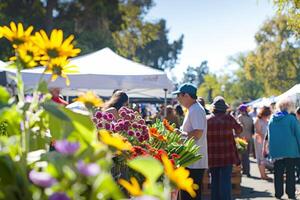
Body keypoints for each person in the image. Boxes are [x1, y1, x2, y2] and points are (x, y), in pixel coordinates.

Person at [172, 83, 208, 200]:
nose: (178, 99)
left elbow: (198, 133)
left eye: (179, 96)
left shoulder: (196, 109)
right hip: (191, 160)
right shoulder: (193, 109)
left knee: (190, 196)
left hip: (193, 162)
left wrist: (181, 134)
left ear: (186, 95)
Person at [206, 96, 242, 200]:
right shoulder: (229, 118)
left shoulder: (207, 119)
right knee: (226, 182)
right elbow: (239, 130)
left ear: (214, 108)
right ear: (225, 108)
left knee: (214, 181)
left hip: (212, 156)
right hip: (227, 155)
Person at [266, 98, 300, 199]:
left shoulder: (272, 119)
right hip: (290, 150)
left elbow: (269, 136)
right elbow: (298, 134)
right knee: (290, 173)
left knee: (278, 173)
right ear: (289, 107)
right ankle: (291, 193)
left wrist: (270, 150)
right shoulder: (291, 119)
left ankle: (278, 193)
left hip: (277, 151)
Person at [254, 106, 272, 180]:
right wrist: (265, 138)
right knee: (260, 157)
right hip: (260, 140)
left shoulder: (266, 120)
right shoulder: (258, 120)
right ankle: (262, 175)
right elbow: (258, 132)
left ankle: (264, 174)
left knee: (264, 157)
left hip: (265, 141)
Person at [237, 104, 254, 177]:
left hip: (242, 138)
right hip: (249, 137)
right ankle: (247, 171)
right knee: (247, 156)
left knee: (241, 156)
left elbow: (238, 128)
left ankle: (243, 171)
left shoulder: (240, 117)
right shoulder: (250, 118)